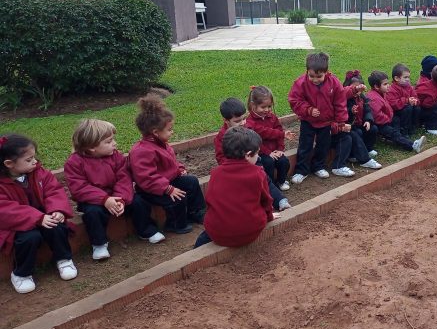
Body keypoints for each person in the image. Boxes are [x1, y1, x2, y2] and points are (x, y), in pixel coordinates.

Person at [64, 119, 161, 259]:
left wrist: (120, 198)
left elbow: (124, 178)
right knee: (92, 213)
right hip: (94, 201)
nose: (114, 143)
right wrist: (104, 199)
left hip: (118, 196)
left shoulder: (116, 156)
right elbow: (79, 188)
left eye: (113, 139)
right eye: (109, 141)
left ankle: (146, 230)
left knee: (138, 202)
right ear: (92, 147)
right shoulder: (74, 163)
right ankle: (99, 244)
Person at [0, 134, 77, 294]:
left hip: (44, 216)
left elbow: (53, 191)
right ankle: (21, 273)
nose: (35, 162)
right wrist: (37, 218)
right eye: (29, 160)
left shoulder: (39, 173)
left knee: (56, 226)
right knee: (29, 238)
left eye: (34, 157)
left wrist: (56, 210)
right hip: (17, 225)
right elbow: (6, 210)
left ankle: (63, 259)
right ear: (9, 164)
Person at [129, 95, 205, 235]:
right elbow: (147, 178)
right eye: (169, 129)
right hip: (151, 190)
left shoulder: (161, 143)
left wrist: (179, 169)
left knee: (192, 182)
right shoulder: (142, 151)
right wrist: (168, 189)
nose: (172, 132)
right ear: (155, 132)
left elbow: (171, 162)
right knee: (178, 197)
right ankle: (175, 224)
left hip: (167, 181)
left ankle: (195, 212)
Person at [195, 128, 279, 249]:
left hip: (217, 232)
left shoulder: (216, 173)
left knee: (203, 238)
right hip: (249, 232)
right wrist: (269, 217)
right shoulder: (258, 173)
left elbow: (209, 200)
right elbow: (266, 201)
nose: (258, 157)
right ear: (248, 155)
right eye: (257, 153)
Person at [214, 97, 291, 211]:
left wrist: (281, 135)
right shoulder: (221, 137)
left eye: (244, 118)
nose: (242, 123)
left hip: (253, 160)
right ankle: (260, 206)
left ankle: (280, 200)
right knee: (247, 188)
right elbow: (221, 158)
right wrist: (237, 165)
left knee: (264, 178)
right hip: (235, 169)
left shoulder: (247, 126)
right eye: (237, 121)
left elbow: (263, 133)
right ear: (226, 120)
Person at [288, 52, 353, 183]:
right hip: (308, 121)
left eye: (319, 76)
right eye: (311, 76)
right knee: (305, 145)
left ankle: (318, 166)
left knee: (323, 145)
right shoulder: (300, 83)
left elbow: (340, 102)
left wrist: (340, 121)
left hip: (326, 122)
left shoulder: (334, 82)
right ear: (307, 71)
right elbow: (294, 100)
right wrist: (308, 110)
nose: (315, 79)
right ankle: (301, 170)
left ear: (326, 72)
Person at [245, 86, 295, 191]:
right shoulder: (250, 122)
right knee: (268, 163)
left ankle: (281, 181)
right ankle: (270, 185)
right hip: (261, 152)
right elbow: (262, 134)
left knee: (284, 161)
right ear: (253, 105)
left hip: (275, 150)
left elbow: (279, 132)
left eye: (269, 106)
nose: (267, 110)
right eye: (263, 107)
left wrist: (280, 149)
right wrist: (268, 152)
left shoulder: (272, 117)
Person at [366, 70, 426, 153]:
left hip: (387, 119)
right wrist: (388, 118)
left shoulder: (382, 93)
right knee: (393, 132)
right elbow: (377, 116)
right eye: (385, 84)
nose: (388, 86)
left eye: (388, 83)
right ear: (376, 86)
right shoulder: (374, 98)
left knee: (396, 122)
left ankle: (396, 139)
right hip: (380, 124)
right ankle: (413, 145)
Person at [343, 71, 382, 169]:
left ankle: (368, 148)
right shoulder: (345, 99)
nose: (358, 92)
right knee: (357, 133)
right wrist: (351, 111)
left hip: (360, 123)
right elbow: (343, 113)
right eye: (355, 89)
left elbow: (368, 110)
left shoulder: (363, 97)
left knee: (372, 128)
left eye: (360, 89)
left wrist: (368, 120)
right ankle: (353, 155)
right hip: (350, 125)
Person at [416, 60, 437, 135]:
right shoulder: (433, 92)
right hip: (420, 108)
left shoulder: (430, 83)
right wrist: (435, 102)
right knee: (436, 107)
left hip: (419, 105)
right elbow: (426, 104)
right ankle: (431, 128)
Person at [386, 63, 420, 136]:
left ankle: (413, 127)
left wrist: (415, 101)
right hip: (397, 111)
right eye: (405, 77)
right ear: (396, 78)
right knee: (408, 109)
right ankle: (404, 129)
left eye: (408, 77)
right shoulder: (392, 89)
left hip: (408, 108)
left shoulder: (409, 87)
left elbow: (415, 96)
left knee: (417, 108)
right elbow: (393, 104)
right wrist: (407, 101)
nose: (408, 79)